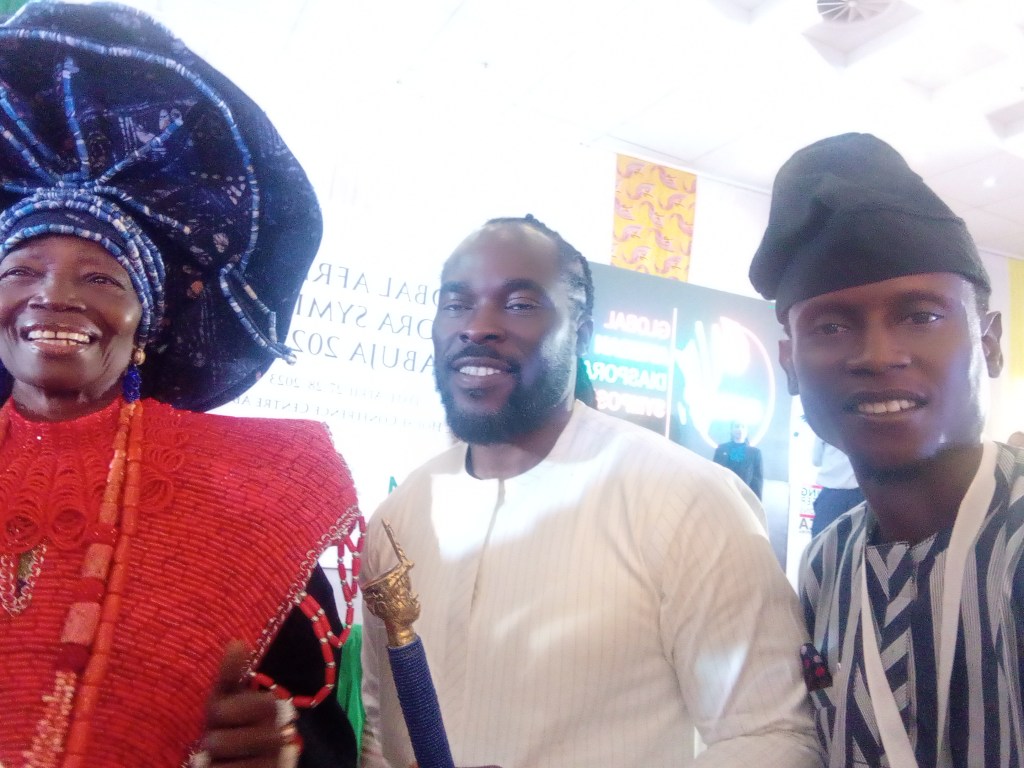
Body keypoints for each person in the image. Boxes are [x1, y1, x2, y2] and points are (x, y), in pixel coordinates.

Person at [0, 3, 362, 766]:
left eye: (100, 277)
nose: (52, 296)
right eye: (21, 270)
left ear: (147, 323)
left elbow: (313, 735)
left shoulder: (247, 496)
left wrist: (279, 751)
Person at [360, 215, 821, 767]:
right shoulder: (398, 518)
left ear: (582, 333)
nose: (477, 327)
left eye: (519, 304)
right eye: (456, 304)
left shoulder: (688, 502)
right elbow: (381, 732)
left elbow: (771, 737)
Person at [749, 132, 1022, 767]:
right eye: (831, 326)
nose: (876, 356)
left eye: (920, 316)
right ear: (790, 364)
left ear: (989, 344)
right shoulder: (826, 565)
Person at [810, 436, 864, 537]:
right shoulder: (871, 428)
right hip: (862, 495)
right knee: (859, 542)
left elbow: (816, 460)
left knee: (824, 542)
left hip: (831, 496)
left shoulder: (825, 427)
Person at [712, 420, 764, 498]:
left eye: (743, 427)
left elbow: (757, 481)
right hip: (723, 492)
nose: (740, 429)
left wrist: (756, 502)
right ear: (731, 430)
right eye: (737, 426)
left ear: (747, 431)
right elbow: (714, 473)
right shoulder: (721, 449)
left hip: (743, 495)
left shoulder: (755, 453)